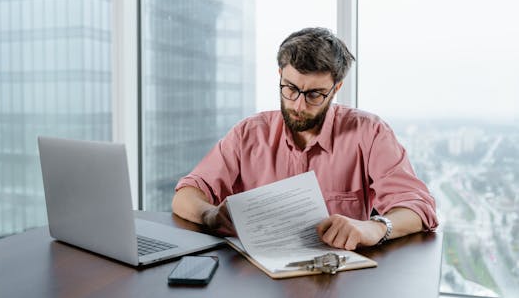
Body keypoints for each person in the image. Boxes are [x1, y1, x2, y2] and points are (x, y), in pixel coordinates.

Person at [172, 27, 438, 250]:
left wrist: (375, 227)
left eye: (314, 94)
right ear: (280, 76)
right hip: (255, 277)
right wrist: (209, 214)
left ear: (336, 88)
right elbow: (186, 194)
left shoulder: (370, 133)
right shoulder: (248, 134)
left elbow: (418, 207)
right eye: (290, 89)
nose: (298, 105)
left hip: (334, 277)